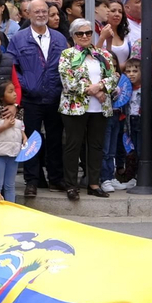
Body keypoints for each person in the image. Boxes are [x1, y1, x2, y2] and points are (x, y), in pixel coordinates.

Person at [10, 0, 68, 197]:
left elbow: (68, 67)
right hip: (31, 99)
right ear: (29, 14)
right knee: (31, 140)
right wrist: (25, 84)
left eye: (45, 11)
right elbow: (12, 66)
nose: (42, 15)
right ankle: (32, 181)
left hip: (54, 97)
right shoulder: (19, 38)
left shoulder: (60, 39)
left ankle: (56, 178)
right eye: (37, 12)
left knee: (55, 139)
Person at [59, 18, 118, 200]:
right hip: (74, 107)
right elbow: (68, 81)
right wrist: (93, 90)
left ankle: (94, 183)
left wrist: (99, 87)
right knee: (73, 146)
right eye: (80, 33)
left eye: (88, 33)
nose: (85, 36)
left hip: (99, 107)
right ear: (73, 36)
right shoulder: (67, 54)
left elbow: (113, 76)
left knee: (97, 146)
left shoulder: (103, 54)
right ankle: (71, 185)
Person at [0, 81, 24, 201]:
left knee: (10, 185)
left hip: (13, 153)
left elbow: (21, 128)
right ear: (1, 96)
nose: (15, 94)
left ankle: (10, 211)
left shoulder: (19, 112)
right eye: (10, 91)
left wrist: (24, 137)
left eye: (14, 91)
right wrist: (4, 126)